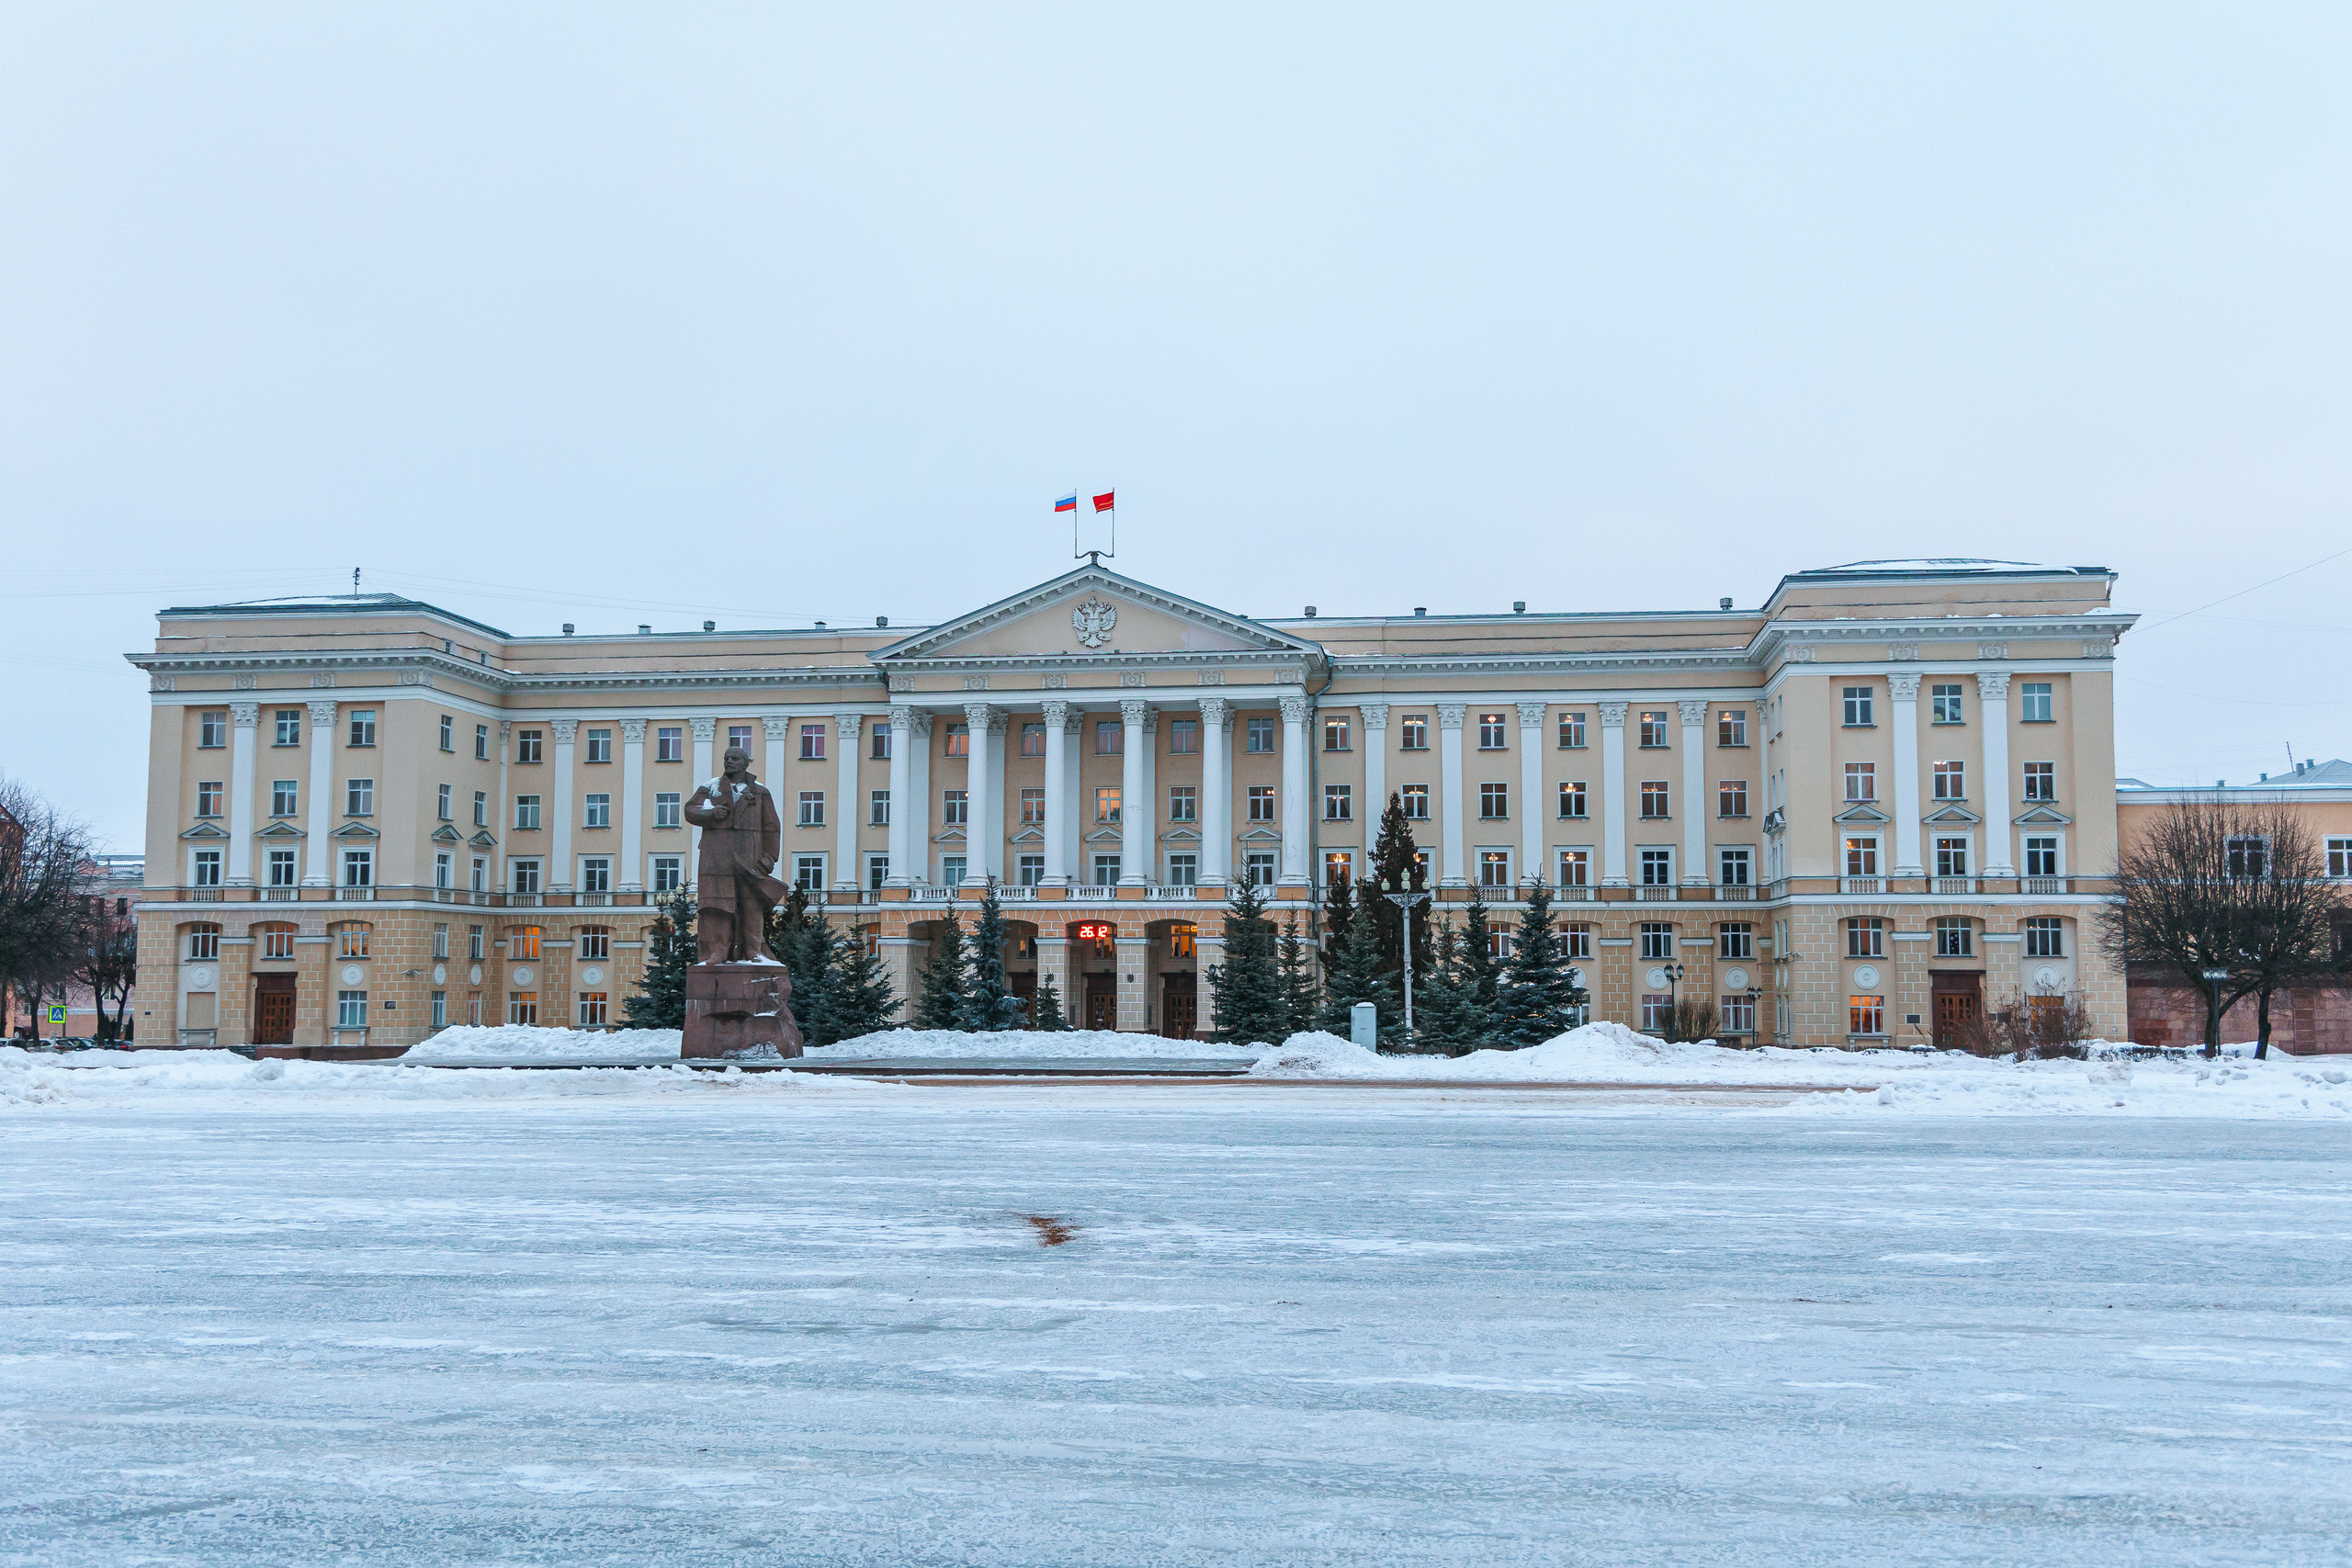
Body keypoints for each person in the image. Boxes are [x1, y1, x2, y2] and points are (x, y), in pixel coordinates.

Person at [683, 746, 786, 964]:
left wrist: (769, 858)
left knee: (751, 905)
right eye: (726, 758)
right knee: (717, 906)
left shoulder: (760, 791)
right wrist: (710, 813)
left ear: (745, 763)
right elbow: (690, 810)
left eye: (734, 758)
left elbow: (772, 827)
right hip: (716, 860)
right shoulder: (711, 788)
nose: (729, 761)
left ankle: (754, 951)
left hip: (750, 858)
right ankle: (717, 952)